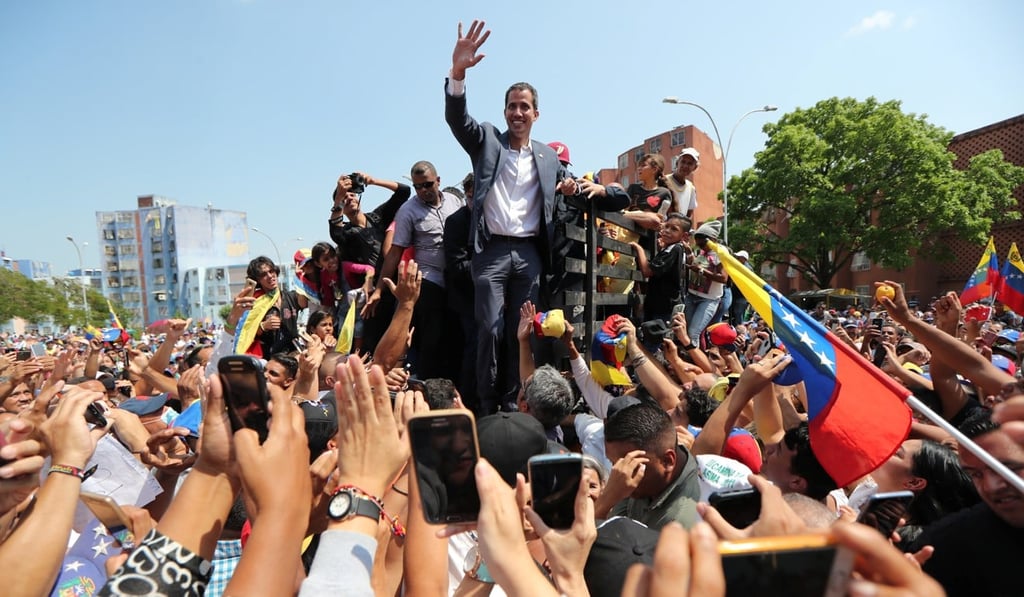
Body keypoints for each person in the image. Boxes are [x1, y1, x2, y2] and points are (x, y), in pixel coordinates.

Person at [444, 20, 577, 412]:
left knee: (525, 333)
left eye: (525, 106)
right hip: (491, 254)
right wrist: (457, 75)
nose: (517, 112)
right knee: (488, 328)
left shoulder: (549, 156)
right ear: (504, 112)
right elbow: (458, 121)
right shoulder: (487, 141)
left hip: (531, 257)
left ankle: (517, 400)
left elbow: (566, 185)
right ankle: (486, 403)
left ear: (536, 113)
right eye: (512, 106)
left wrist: (573, 187)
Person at [329, 171, 410, 353]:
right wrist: (337, 199)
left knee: (402, 337)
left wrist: (373, 181)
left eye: (352, 194)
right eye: (344, 197)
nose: (349, 198)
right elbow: (335, 231)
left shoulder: (378, 217)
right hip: (372, 297)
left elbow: (404, 191)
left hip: (396, 285)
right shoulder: (346, 233)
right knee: (376, 343)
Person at [597, 402, 701, 530]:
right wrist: (609, 498)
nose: (619, 472)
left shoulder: (677, 522)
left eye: (630, 464)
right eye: (613, 463)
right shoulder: (643, 479)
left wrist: (606, 499)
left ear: (667, 461)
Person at [235, 256, 303, 358]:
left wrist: (300, 278)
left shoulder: (291, 297)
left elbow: (304, 302)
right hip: (269, 358)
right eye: (263, 275)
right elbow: (244, 333)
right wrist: (263, 326)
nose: (270, 276)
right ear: (257, 280)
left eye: (271, 271)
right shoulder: (254, 303)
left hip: (293, 355)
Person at [631, 213, 692, 323]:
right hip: (659, 305)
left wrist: (639, 249)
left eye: (674, 229)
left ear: (684, 236)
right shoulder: (670, 248)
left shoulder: (674, 249)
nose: (667, 231)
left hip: (663, 308)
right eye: (667, 226)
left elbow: (647, 271)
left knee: (656, 338)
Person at [683, 221, 728, 346]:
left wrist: (702, 271)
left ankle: (695, 361)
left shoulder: (720, 253)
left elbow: (723, 278)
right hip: (692, 296)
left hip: (708, 300)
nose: (700, 246)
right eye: (698, 243)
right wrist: (690, 254)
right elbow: (697, 265)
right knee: (686, 332)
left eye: (702, 243)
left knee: (693, 333)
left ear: (712, 239)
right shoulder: (704, 251)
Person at [663, 147, 700, 221]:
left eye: (690, 163)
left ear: (694, 167)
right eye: (683, 162)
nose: (685, 166)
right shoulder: (664, 180)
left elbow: (689, 214)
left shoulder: (691, 188)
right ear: (677, 163)